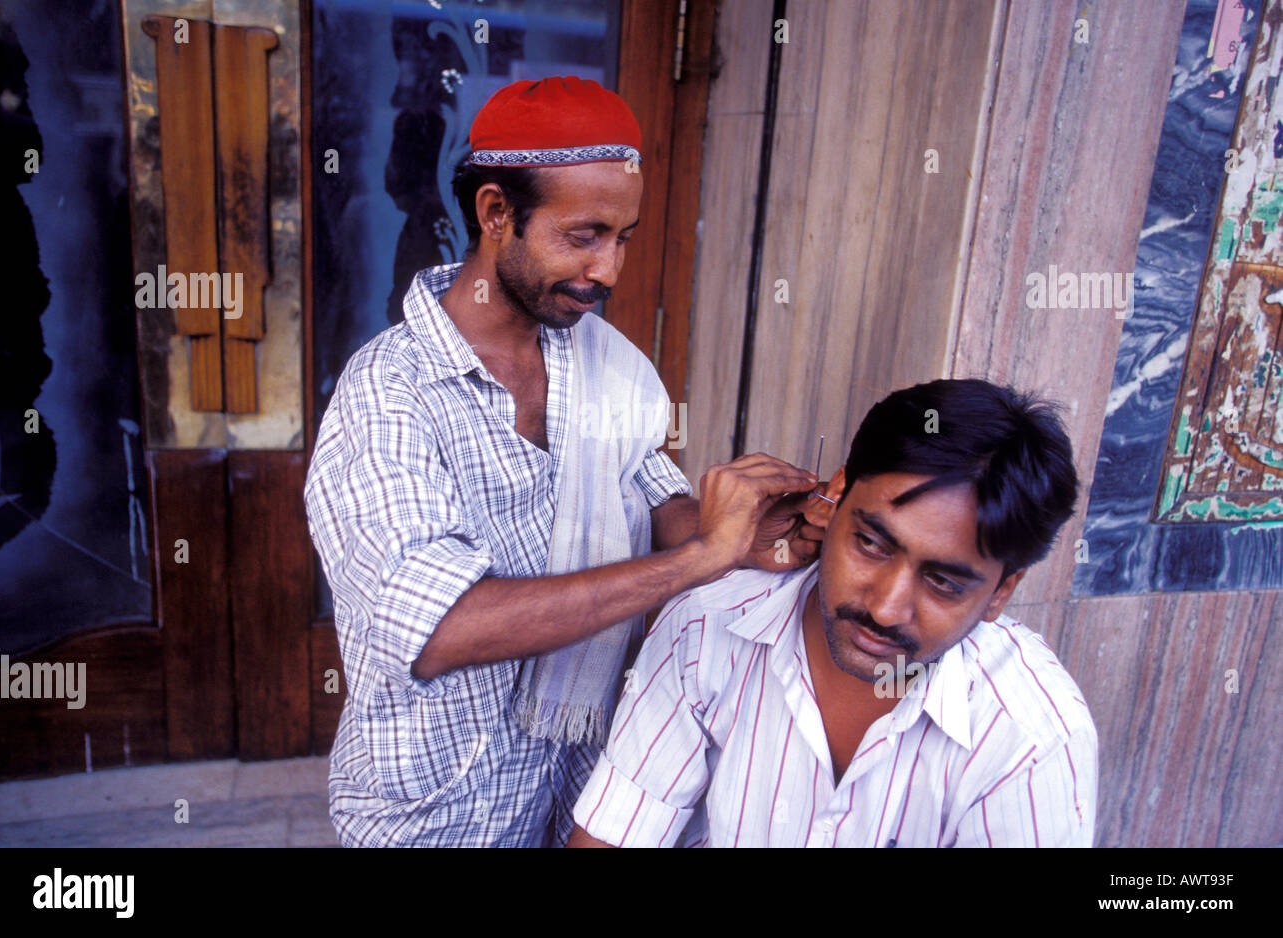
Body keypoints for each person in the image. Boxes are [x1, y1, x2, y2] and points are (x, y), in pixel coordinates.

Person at [304, 76, 824, 847]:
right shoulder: (389, 395)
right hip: (436, 817)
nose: (608, 270)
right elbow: (442, 627)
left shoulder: (598, 361)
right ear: (495, 213)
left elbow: (651, 501)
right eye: (584, 235)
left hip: (582, 795)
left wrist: (737, 530)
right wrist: (697, 562)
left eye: (623, 238)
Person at [567, 379, 1099, 847]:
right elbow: (615, 835)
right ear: (833, 498)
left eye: (942, 582)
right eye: (871, 544)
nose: (886, 609)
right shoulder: (706, 628)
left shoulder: (1032, 738)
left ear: (1002, 593)